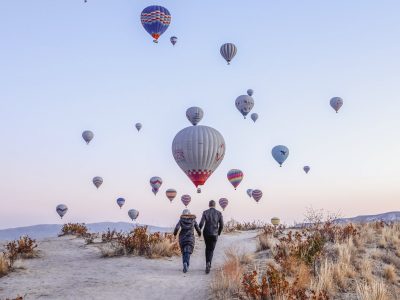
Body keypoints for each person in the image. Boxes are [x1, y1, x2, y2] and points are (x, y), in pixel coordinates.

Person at [199, 200, 224, 274]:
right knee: (211, 249)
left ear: (209, 205)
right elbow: (222, 225)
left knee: (207, 248)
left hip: (206, 233)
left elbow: (201, 223)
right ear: (215, 205)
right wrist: (218, 233)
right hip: (214, 234)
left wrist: (198, 231)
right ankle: (209, 263)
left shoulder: (205, 212)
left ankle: (208, 263)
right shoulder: (219, 213)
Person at [173, 209, 201, 273]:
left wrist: (175, 234)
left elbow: (177, 228)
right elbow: (197, 228)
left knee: (184, 252)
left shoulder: (181, 220)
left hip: (182, 238)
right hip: (190, 237)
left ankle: (184, 264)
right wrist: (199, 234)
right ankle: (186, 264)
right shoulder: (193, 220)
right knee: (188, 252)